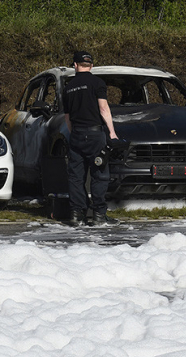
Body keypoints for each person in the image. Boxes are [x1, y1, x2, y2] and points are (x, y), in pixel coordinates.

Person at [62, 50, 120, 227]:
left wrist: (73, 134)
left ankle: (76, 214)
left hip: (77, 135)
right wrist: (112, 132)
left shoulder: (68, 87)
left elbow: (67, 117)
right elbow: (103, 108)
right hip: (95, 134)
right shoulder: (97, 82)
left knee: (76, 177)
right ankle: (99, 216)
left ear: (75, 65)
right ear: (92, 66)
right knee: (99, 174)